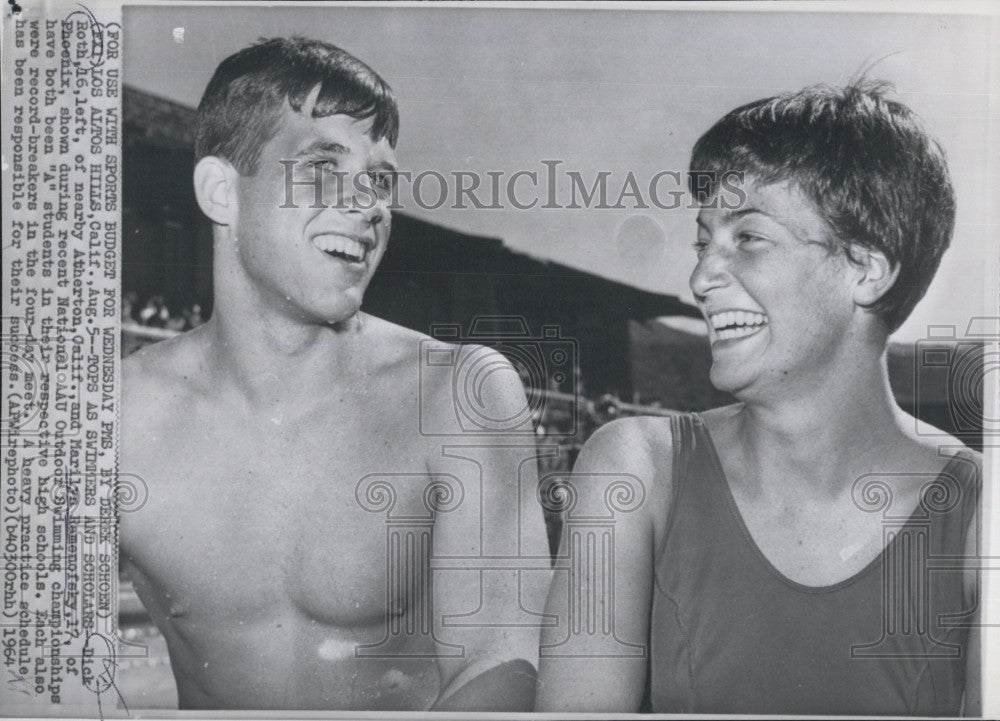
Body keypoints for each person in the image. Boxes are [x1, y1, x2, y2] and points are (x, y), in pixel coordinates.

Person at [120, 37, 549, 711]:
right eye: (325, 166)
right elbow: (41, 675)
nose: (369, 204)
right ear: (221, 192)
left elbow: (503, 656)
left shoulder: (457, 392)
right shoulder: (116, 418)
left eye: (380, 179)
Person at [536, 81, 981, 715]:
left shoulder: (978, 513)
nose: (699, 279)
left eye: (748, 238)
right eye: (702, 242)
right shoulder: (637, 471)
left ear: (865, 268)